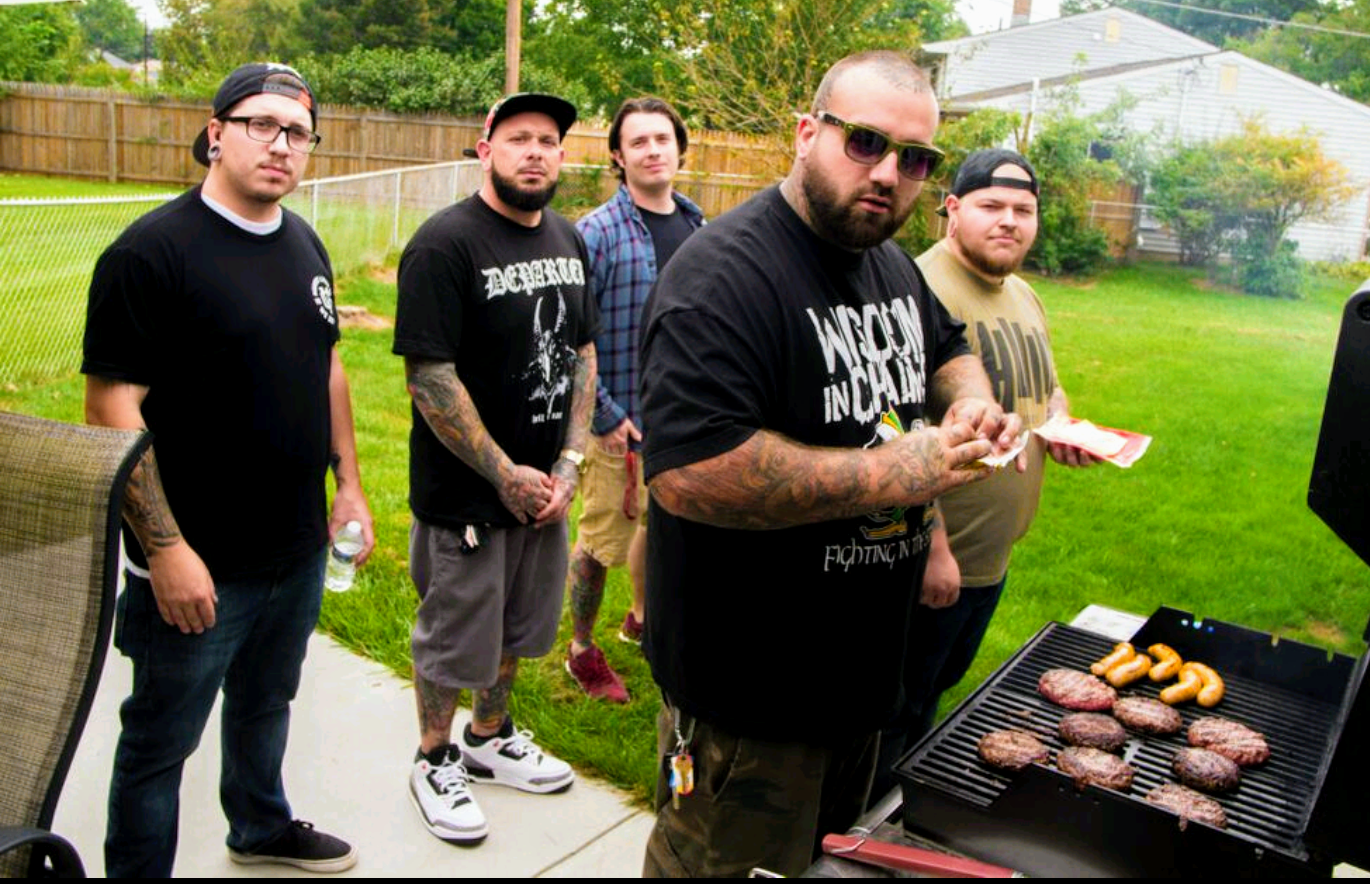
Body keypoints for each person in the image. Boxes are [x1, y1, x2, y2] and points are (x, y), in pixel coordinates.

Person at [637, 51, 1024, 878]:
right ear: (806, 133)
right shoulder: (722, 275)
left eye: (914, 158)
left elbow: (946, 346)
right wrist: (897, 474)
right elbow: (689, 473)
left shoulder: (885, 262)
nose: (886, 173)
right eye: (864, 142)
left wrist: (968, 401)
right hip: (750, 705)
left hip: (860, 687)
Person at [82, 62, 374, 876]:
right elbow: (110, 405)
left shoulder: (303, 241)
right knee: (160, 741)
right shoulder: (150, 253)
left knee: (266, 703)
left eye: (298, 132)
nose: (281, 145)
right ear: (216, 134)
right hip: (197, 564)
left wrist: (348, 485)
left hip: (295, 547)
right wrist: (165, 550)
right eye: (260, 124)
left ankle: (260, 827)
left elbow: (328, 367)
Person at [392, 92, 599, 846]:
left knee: (516, 624)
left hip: (543, 490)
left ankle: (488, 737)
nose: (535, 152)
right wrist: (501, 472)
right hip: (466, 499)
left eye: (547, 140)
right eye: (518, 139)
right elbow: (429, 378)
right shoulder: (444, 245)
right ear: (485, 150)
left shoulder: (568, 238)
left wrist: (569, 462)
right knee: (455, 637)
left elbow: (581, 354)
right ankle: (432, 758)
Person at [873, 148, 1098, 800]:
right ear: (952, 208)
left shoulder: (1022, 293)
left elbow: (1047, 389)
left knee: (929, 698)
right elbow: (893, 426)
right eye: (991, 206)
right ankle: (857, 831)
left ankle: (896, 812)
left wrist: (1062, 426)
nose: (1009, 221)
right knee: (892, 712)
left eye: (1022, 210)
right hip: (932, 560)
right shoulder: (919, 288)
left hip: (989, 555)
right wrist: (931, 546)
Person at [564, 96, 706, 704]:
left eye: (662, 139)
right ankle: (581, 649)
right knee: (601, 543)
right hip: (617, 422)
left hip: (680, 418)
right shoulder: (595, 233)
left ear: (679, 148)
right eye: (638, 142)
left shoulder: (698, 226)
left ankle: (641, 619)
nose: (653, 151)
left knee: (663, 523)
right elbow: (571, 336)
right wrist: (603, 415)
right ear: (618, 157)